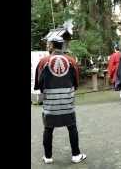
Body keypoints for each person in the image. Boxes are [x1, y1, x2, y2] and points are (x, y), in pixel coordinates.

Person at [34, 36, 86, 164]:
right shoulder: (71, 61)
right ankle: (76, 155)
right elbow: (76, 83)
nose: (47, 46)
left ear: (52, 45)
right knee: (72, 128)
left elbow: (38, 84)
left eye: (48, 44)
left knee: (48, 129)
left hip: (50, 104)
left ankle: (48, 157)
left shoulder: (43, 62)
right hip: (67, 103)